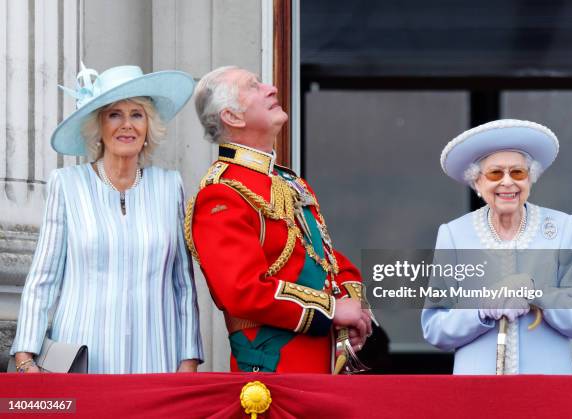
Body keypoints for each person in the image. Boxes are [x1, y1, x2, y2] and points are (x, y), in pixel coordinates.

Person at [10, 64, 204, 373]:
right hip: (82, 359)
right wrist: (25, 357)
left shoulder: (170, 186)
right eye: (115, 114)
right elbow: (43, 278)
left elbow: (183, 283)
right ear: (98, 125)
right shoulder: (67, 184)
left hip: (156, 358)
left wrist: (189, 360)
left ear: (148, 126)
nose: (127, 125)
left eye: (136, 114)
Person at [186, 66, 371, 373]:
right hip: (273, 371)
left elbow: (324, 259)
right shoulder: (220, 194)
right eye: (253, 86)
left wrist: (354, 308)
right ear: (232, 116)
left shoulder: (289, 182)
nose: (271, 88)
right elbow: (244, 291)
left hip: (322, 365)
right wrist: (332, 309)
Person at [421, 119, 572, 374]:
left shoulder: (563, 228)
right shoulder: (454, 235)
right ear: (477, 182)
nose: (507, 182)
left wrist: (535, 292)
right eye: (495, 173)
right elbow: (434, 329)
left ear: (530, 179)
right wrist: (480, 310)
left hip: (549, 388)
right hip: (477, 390)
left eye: (518, 172)